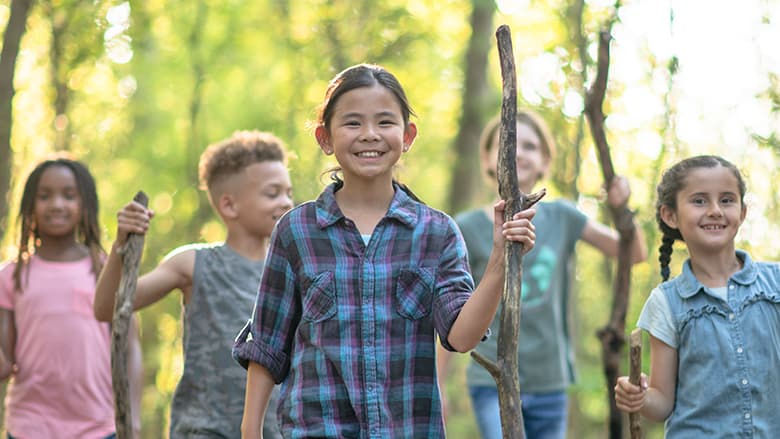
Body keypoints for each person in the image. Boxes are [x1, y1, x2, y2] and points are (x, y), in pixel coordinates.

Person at [231, 63, 537, 438]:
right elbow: (266, 344)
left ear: (407, 135)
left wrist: (498, 260)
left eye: (385, 122)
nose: (370, 135)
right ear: (325, 138)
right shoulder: (296, 232)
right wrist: (250, 432)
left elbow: (461, 337)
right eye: (353, 123)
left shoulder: (436, 233)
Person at [436, 111, 648, 439]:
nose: (518, 152)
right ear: (487, 159)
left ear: (546, 162)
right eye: (508, 144)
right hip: (489, 379)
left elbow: (634, 254)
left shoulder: (563, 217)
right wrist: (438, 384)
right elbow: (449, 315)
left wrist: (623, 210)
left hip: (551, 381)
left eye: (531, 146)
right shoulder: (465, 227)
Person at [93, 130, 293, 438]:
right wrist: (122, 245)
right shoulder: (193, 263)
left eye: (288, 193)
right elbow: (108, 308)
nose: (286, 202)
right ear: (229, 205)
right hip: (203, 429)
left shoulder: (295, 268)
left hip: (273, 431)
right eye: (272, 193)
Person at [614, 155, 780, 436]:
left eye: (727, 200)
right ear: (670, 215)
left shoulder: (774, 283)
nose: (715, 210)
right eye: (699, 201)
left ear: (742, 212)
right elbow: (663, 402)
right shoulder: (666, 302)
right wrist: (640, 396)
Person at [0, 157, 142, 439]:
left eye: (69, 195)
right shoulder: (11, 276)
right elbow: (4, 360)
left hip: (98, 426)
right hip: (29, 426)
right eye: (44, 196)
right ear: (30, 206)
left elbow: (130, 347)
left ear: (85, 204)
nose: (56, 204)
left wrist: (133, 420)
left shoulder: (106, 269)